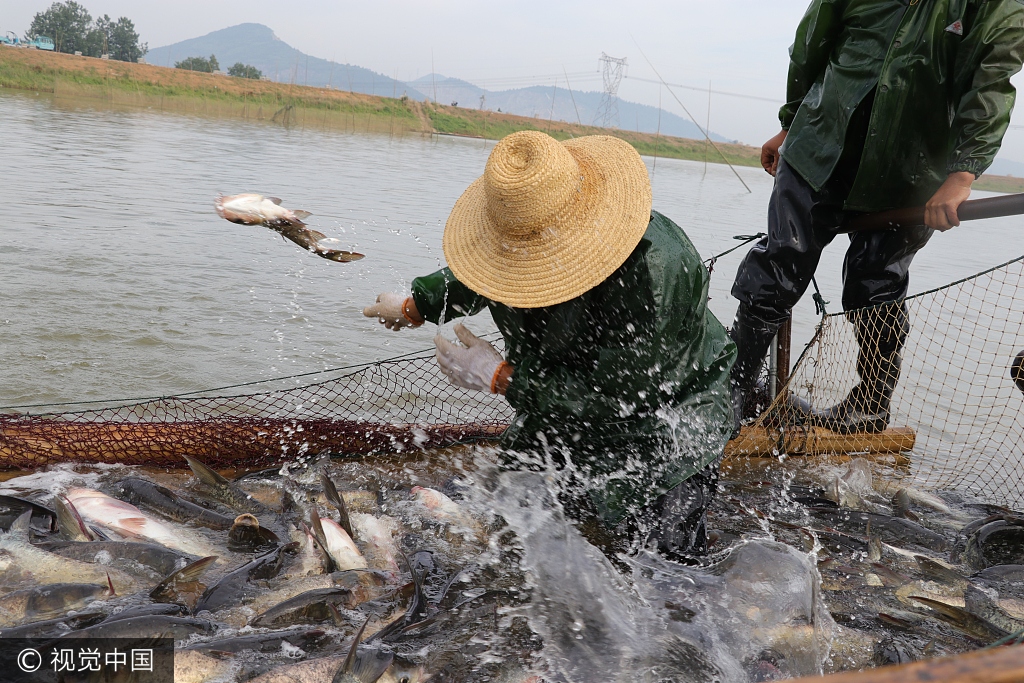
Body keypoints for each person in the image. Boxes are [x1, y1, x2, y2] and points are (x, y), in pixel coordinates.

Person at [364, 131, 735, 560]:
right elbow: (479, 270)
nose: (514, 262)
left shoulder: (655, 272)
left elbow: (618, 399)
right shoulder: (516, 232)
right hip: (558, 401)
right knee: (490, 521)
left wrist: (502, 379)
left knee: (665, 564)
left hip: (667, 415)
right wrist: (417, 304)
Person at [728, 0, 1024, 436]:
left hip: (910, 168)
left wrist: (963, 174)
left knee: (877, 283)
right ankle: (733, 391)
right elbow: (811, 44)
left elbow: (991, 81)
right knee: (780, 262)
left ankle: (871, 402)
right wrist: (790, 122)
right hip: (820, 146)